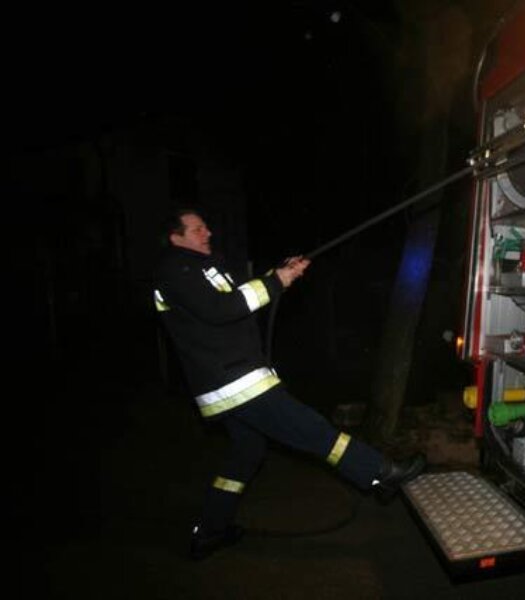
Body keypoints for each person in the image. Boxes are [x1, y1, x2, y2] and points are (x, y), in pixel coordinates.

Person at [153, 208, 425, 560]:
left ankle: (211, 531)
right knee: (310, 428)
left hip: (230, 381)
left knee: (246, 452)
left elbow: (236, 299)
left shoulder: (196, 267)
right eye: (197, 229)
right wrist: (276, 281)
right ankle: (381, 473)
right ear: (176, 237)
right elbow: (223, 309)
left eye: (206, 226)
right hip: (235, 382)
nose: (208, 232)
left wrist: (279, 274)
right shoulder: (176, 270)